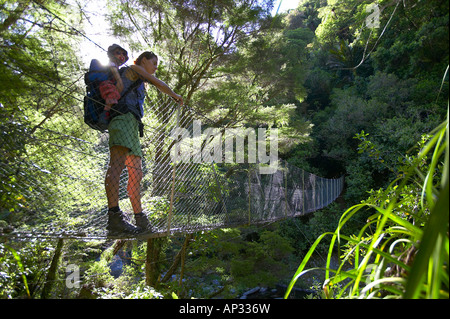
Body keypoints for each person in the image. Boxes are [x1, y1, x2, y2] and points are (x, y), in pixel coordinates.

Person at [105, 51, 183, 236]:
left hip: (132, 124)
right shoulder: (133, 68)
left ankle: (140, 218)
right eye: (154, 62)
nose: (155, 67)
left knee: (136, 173)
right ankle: (114, 216)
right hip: (122, 118)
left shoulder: (139, 79)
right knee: (116, 165)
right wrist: (174, 94)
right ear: (143, 60)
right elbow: (159, 83)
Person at [98, 44, 128, 121]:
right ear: (111, 55)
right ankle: (105, 113)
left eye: (123, 54)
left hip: (112, 85)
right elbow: (116, 76)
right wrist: (119, 81)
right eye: (118, 53)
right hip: (106, 84)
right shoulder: (112, 65)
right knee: (112, 94)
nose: (121, 55)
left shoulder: (119, 68)